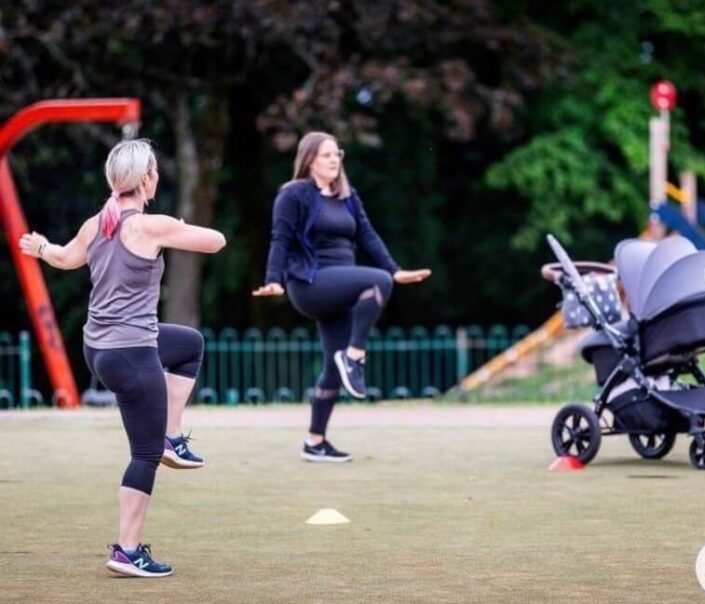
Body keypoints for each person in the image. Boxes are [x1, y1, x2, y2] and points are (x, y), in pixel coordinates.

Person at [19, 139, 226, 578]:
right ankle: (127, 551)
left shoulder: (98, 224)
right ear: (146, 178)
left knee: (188, 344)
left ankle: (173, 435)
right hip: (130, 353)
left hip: (100, 348)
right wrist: (177, 227)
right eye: (155, 172)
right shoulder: (149, 226)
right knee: (144, 454)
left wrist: (40, 248)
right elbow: (217, 241)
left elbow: (64, 257)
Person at [253, 131, 430, 463]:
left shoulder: (348, 196)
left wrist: (395, 270)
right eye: (326, 155)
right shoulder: (293, 195)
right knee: (376, 283)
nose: (334, 160)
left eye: (337, 154)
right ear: (309, 160)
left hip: (341, 287)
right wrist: (274, 279)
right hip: (310, 284)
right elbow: (280, 238)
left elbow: (368, 235)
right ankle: (355, 356)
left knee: (333, 366)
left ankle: (315, 441)